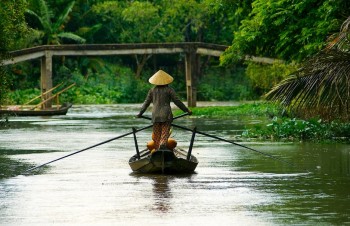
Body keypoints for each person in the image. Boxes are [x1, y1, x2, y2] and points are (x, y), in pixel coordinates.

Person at [137, 70, 192, 151]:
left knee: (156, 136)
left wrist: (140, 113)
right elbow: (177, 101)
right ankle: (162, 145)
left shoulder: (152, 91)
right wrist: (187, 110)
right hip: (166, 115)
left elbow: (146, 103)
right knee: (164, 133)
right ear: (167, 81)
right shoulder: (169, 90)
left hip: (155, 115)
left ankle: (157, 149)